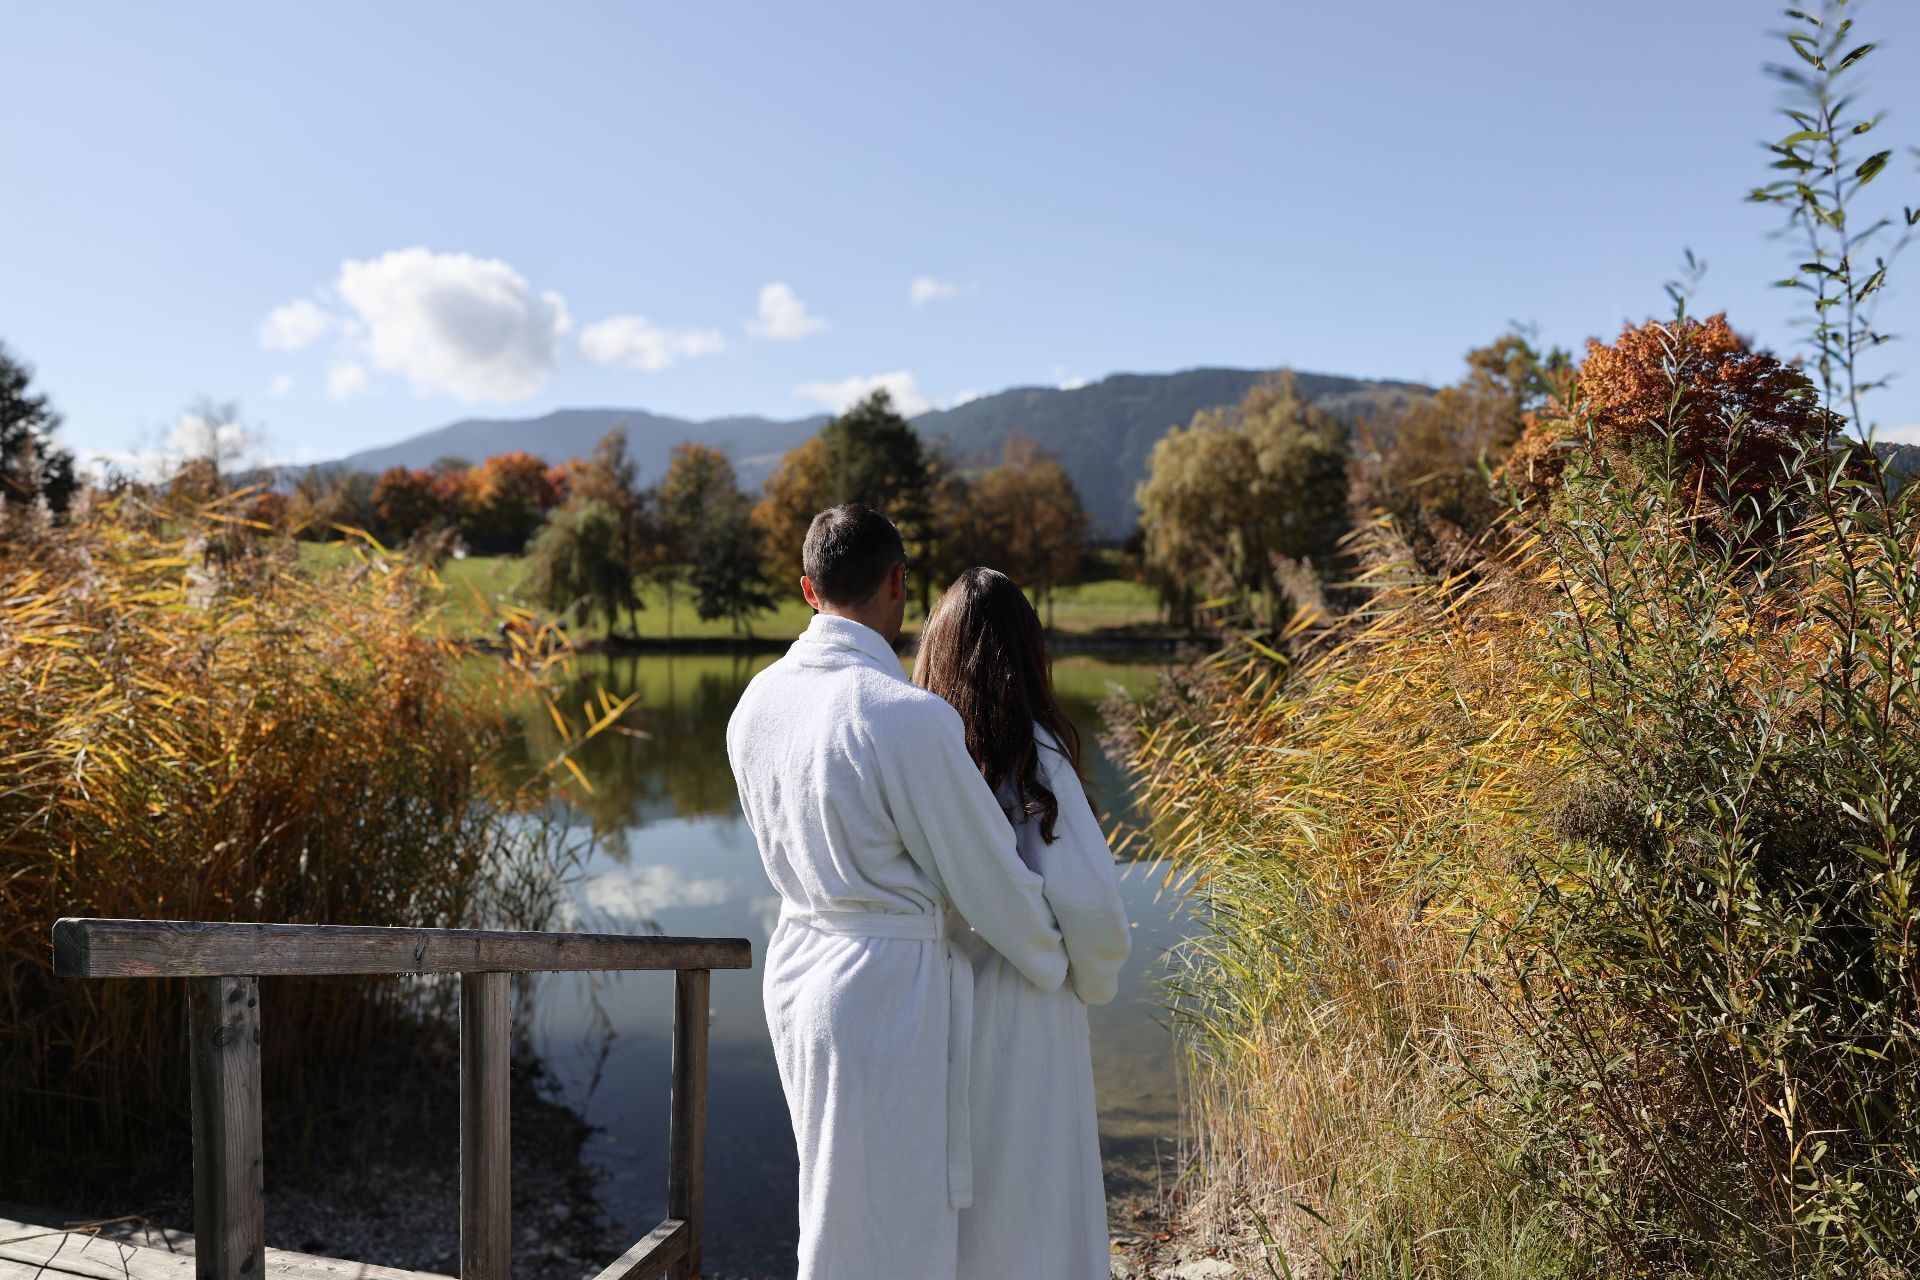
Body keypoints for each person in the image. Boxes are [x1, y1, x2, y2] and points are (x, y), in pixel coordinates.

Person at [725, 505, 1071, 1280]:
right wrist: (1054, 960)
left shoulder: (756, 705)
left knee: (835, 1206)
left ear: (808, 590)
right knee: (897, 1222)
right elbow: (987, 877)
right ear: (897, 583)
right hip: (887, 994)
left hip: (798, 976)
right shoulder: (906, 717)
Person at [915, 566, 1131, 1280]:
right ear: (1026, 653)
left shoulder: (924, 751)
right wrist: (1094, 979)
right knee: (1036, 1192)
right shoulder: (1033, 756)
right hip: (1028, 1002)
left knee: (963, 1194)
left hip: (935, 999)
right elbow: (1091, 905)